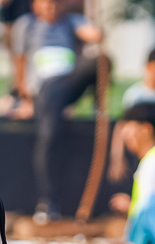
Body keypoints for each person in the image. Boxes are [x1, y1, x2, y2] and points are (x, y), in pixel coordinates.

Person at [19, 0, 104, 220]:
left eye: (56, 4)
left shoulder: (71, 22)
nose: (52, 8)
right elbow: (20, 62)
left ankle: (98, 107)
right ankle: (48, 200)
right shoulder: (28, 25)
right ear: (36, 5)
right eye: (47, 4)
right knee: (50, 136)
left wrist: (98, 31)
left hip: (69, 82)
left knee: (98, 61)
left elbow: (91, 34)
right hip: (44, 90)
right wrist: (25, 99)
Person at [108, 100, 155, 219]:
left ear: (146, 129)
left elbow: (151, 214)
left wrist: (130, 207)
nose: (124, 133)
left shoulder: (152, 163)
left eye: (129, 126)